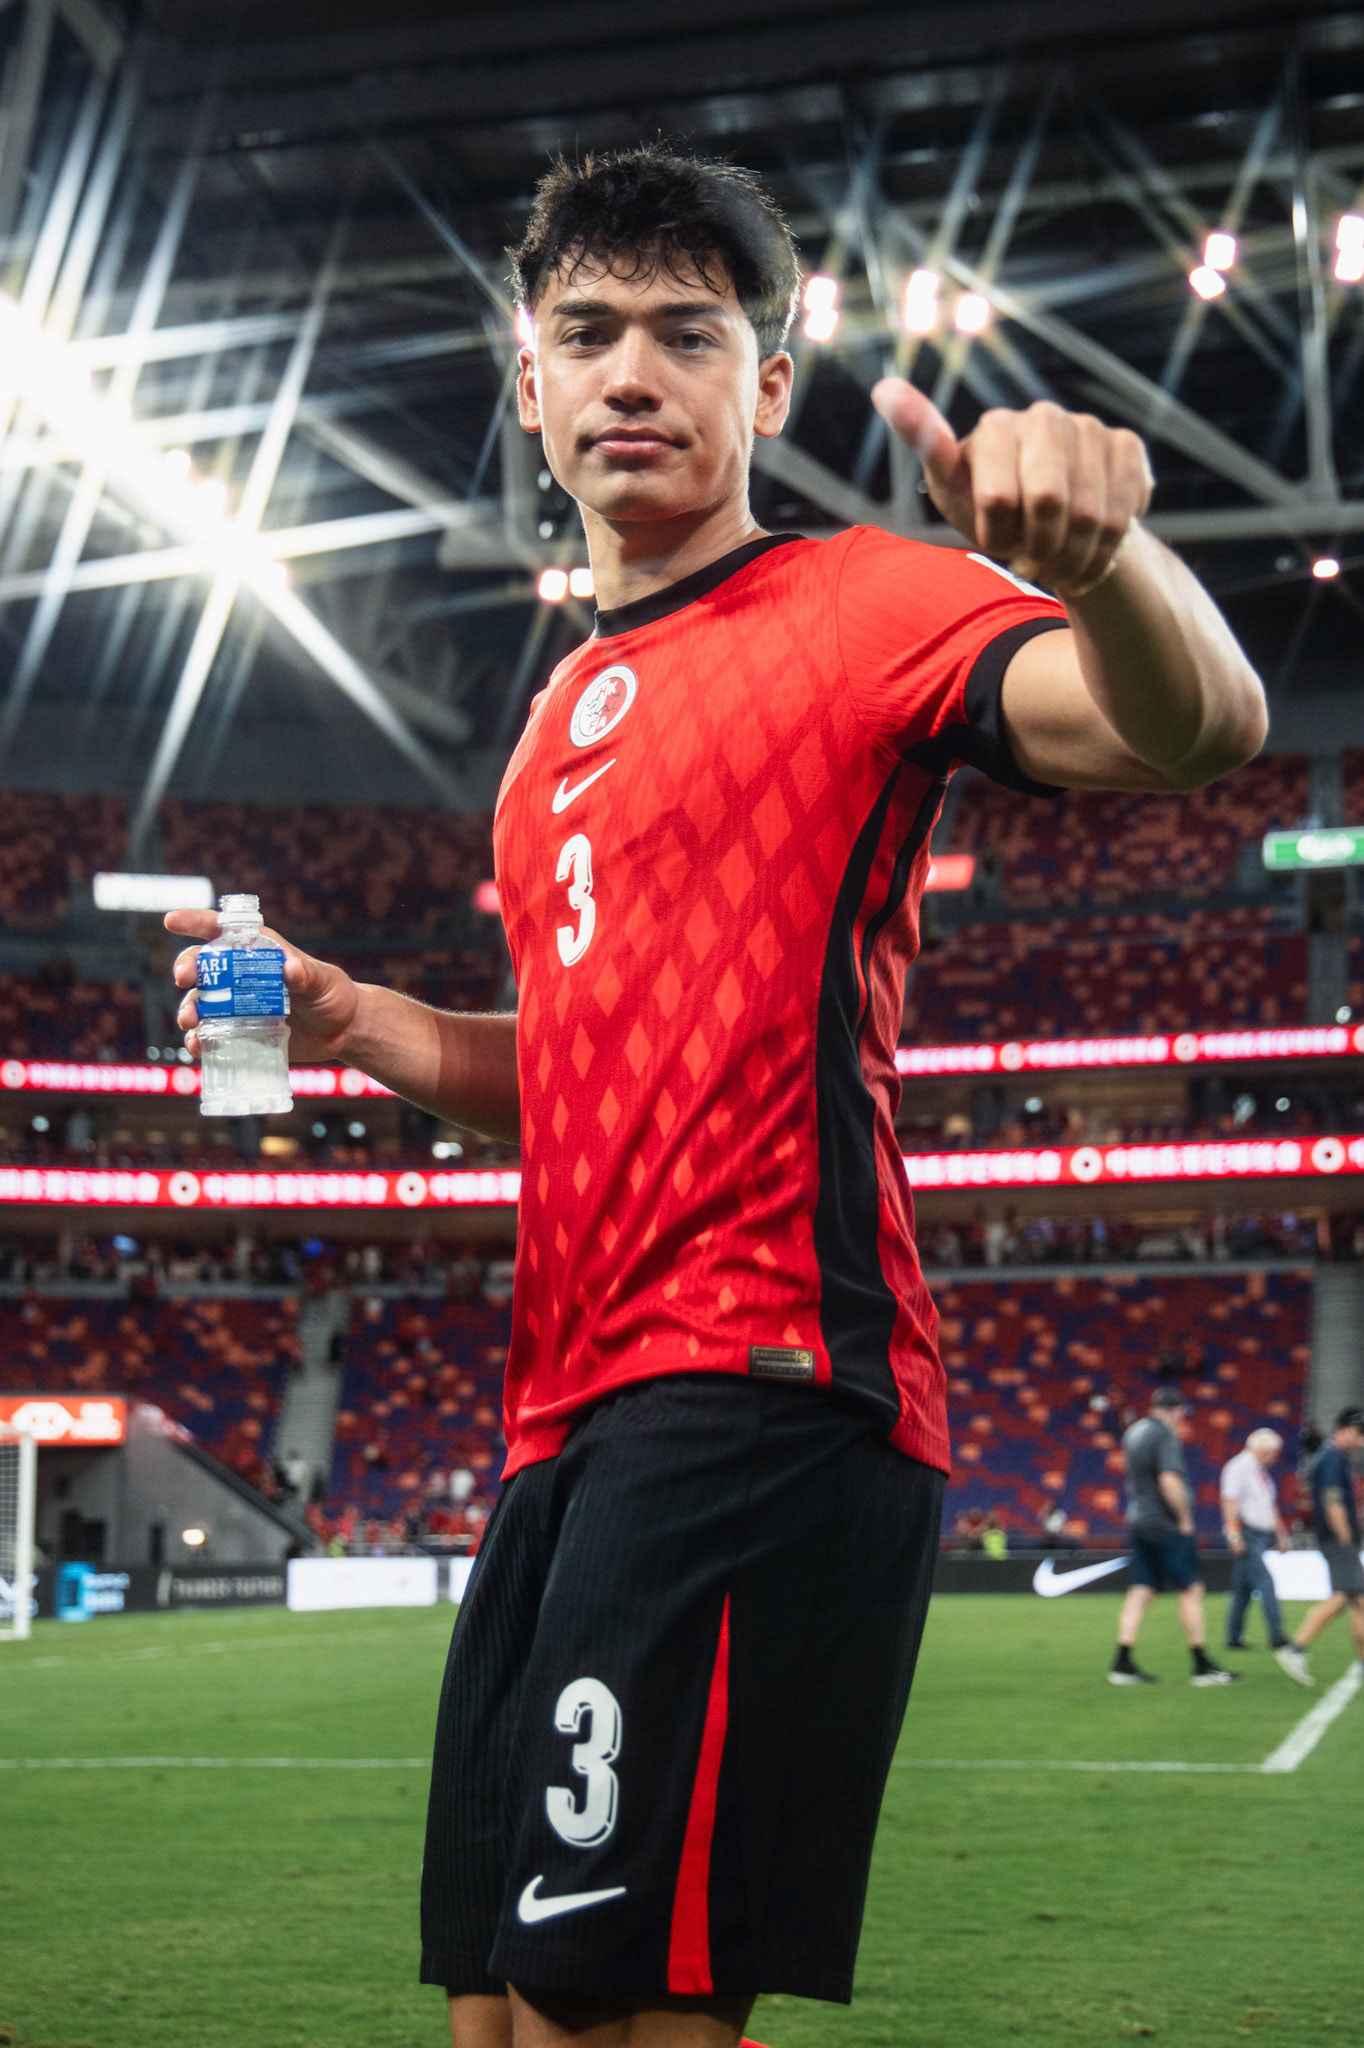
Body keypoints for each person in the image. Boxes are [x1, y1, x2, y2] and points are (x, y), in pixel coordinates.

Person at [166, 146, 1266, 2048]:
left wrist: (1105, 565)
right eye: (587, 331)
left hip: (762, 1383)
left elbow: (1197, 725)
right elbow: (573, 1080)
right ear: (529, 384)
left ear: (765, 386)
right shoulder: (543, 736)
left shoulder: (863, 602)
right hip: (559, 1422)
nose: (631, 373)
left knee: (606, 2011)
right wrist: (366, 1023)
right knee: (497, 2016)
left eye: (687, 333)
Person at [1110, 1386, 1239, 1687]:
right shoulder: (1164, 1435)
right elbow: (1169, 1481)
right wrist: (1184, 1519)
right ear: (1171, 1410)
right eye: (1180, 1413)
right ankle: (1201, 1665)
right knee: (1191, 1589)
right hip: (1164, 1523)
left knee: (1141, 1590)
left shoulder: (1134, 1432)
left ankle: (1122, 1662)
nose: (1182, 1419)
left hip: (1139, 1520)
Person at [1275, 1406, 1364, 1688]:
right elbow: (1332, 1502)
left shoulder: (1333, 1458)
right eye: (1358, 1433)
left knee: (1359, 1601)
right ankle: (1296, 1648)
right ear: (1341, 1429)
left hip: (1338, 1539)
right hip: (1338, 1539)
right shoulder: (1331, 1459)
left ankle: (1362, 1664)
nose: (1361, 1440)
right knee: (1343, 1597)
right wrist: (1346, 1538)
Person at [1220, 1427, 1291, 1653]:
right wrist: (1234, 1534)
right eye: (1272, 1453)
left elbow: (1269, 1505)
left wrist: (1281, 1534)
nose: (1274, 1458)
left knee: (1242, 1588)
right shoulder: (1238, 1467)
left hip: (1260, 1535)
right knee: (1266, 1582)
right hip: (1247, 1533)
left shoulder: (1260, 1472)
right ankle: (1277, 1636)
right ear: (1261, 1450)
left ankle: (1233, 1637)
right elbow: (1229, 1502)